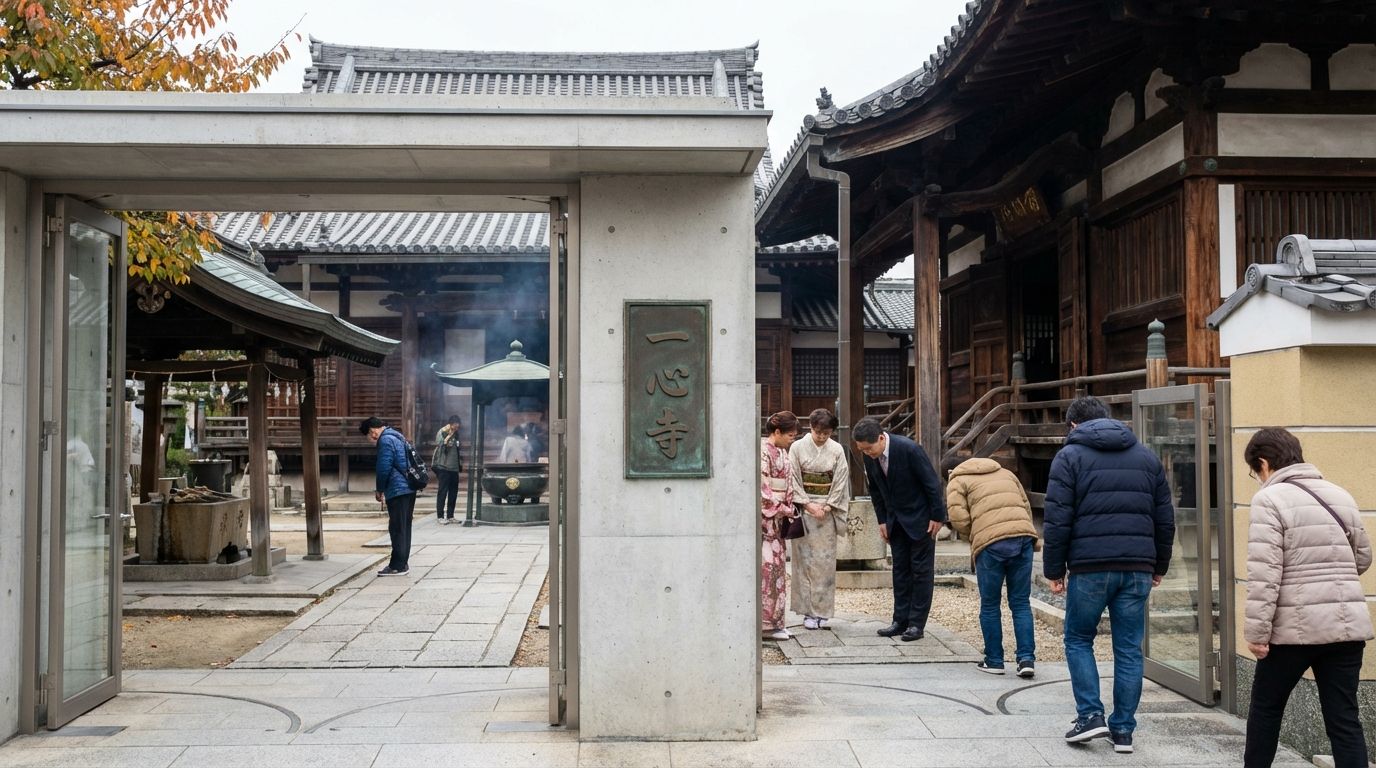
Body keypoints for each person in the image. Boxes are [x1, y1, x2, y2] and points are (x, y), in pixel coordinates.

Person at [1043, 396, 1174, 754]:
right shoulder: (1146, 457)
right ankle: (1124, 731)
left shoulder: (1069, 457)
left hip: (1090, 567)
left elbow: (1057, 519)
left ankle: (1090, 716)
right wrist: (1159, 564)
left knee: (1079, 638)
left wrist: (1054, 569)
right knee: (1129, 649)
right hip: (1137, 568)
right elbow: (1165, 517)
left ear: (1073, 425)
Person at [1242, 427, 1372, 768]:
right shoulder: (1338, 494)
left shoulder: (1269, 500)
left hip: (1292, 632)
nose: (1257, 478)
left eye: (1255, 471)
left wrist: (1256, 635)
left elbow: (1265, 574)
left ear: (1264, 463)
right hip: (1346, 630)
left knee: (1266, 712)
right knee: (1344, 720)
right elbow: (1362, 558)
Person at [852, 416, 946, 643]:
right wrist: (882, 520)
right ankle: (900, 620)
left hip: (921, 519)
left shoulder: (910, 450)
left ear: (881, 438)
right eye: (862, 450)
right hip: (895, 520)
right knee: (900, 571)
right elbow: (875, 490)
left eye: (869, 448)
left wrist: (937, 515)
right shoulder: (869, 457)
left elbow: (932, 483)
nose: (867, 453)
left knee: (921, 572)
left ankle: (916, 624)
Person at [945, 455, 1038, 677]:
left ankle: (994, 660)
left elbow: (958, 518)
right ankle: (1026, 659)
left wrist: (974, 535)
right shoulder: (1006, 473)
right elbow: (1025, 506)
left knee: (990, 604)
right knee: (1021, 602)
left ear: (950, 472)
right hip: (1022, 537)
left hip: (990, 543)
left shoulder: (957, 480)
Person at [788, 408, 852, 630]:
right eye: (818, 433)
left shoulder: (836, 450)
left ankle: (823, 612)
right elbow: (793, 477)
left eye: (827, 433)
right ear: (811, 428)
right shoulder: (797, 448)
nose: (822, 437)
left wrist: (828, 505)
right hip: (805, 509)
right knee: (804, 562)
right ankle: (807, 612)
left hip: (826, 510)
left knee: (824, 563)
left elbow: (841, 479)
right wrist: (806, 503)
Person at [760, 410, 801, 641]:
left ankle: (776, 622)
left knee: (777, 570)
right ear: (777, 432)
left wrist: (788, 505)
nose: (792, 439)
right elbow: (763, 487)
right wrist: (782, 506)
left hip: (778, 520)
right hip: (766, 521)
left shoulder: (783, 453)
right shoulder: (763, 452)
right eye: (790, 435)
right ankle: (765, 623)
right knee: (767, 570)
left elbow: (788, 483)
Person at [360, 416, 416, 576]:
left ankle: (397, 565)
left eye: (370, 435)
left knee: (397, 528)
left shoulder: (385, 441)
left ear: (373, 431)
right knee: (404, 527)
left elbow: (384, 467)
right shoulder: (398, 436)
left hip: (397, 489)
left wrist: (380, 489)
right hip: (409, 487)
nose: (372, 438)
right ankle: (402, 563)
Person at [431, 415, 463, 524]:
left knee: (453, 492)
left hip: (454, 468)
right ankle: (440, 516)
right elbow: (439, 444)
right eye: (455, 423)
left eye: (458, 423)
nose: (457, 425)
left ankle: (450, 515)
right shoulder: (443, 432)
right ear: (451, 423)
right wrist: (447, 436)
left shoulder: (457, 434)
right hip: (443, 467)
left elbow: (458, 449)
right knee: (442, 492)